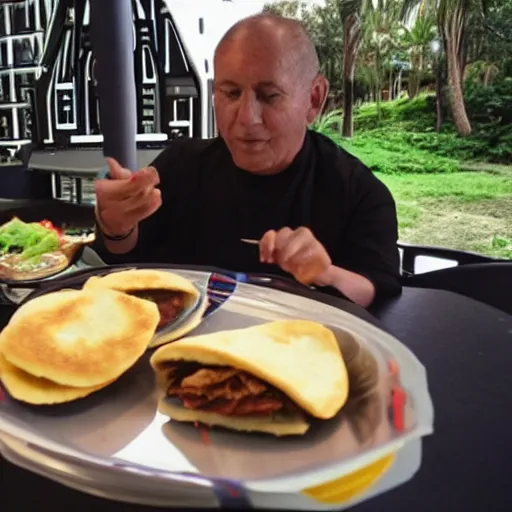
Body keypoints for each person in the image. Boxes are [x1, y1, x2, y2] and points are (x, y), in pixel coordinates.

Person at [93, 14, 401, 308]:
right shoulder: (180, 166)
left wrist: (326, 274)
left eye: (269, 96)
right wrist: (116, 224)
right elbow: (123, 255)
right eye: (231, 93)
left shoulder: (358, 192)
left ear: (314, 99)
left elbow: (376, 288)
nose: (246, 118)